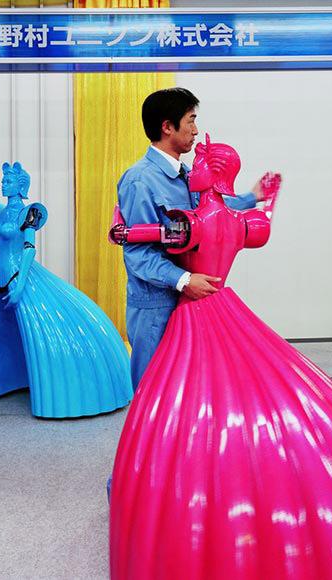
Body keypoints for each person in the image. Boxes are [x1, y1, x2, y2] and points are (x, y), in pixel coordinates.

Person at [109, 137, 332, 579]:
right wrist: (259, 196)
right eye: (192, 123)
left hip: (193, 308)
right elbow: (249, 217)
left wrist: (123, 229)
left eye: (202, 161)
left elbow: (153, 236)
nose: (196, 145)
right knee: (241, 391)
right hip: (223, 302)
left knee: (172, 403)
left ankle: (166, 491)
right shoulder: (239, 221)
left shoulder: (190, 219)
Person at [117, 87, 265, 389]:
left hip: (192, 298)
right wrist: (184, 279)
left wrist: (252, 197)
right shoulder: (140, 180)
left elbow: (210, 213)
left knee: (189, 389)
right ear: (167, 127)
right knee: (154, 389)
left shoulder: (188, 174)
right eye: (190, 121)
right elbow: (138, 254)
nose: (196, 131)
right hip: (157, 304)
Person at [0, 162, 132, 418]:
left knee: (41, 331)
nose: (4, 183)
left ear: (21, 185)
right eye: (3, 180)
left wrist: (22, 282)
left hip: (20, 276)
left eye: (9, 180)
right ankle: (3, 379)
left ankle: (70, 387)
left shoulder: (28, 214)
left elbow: (28, 248)